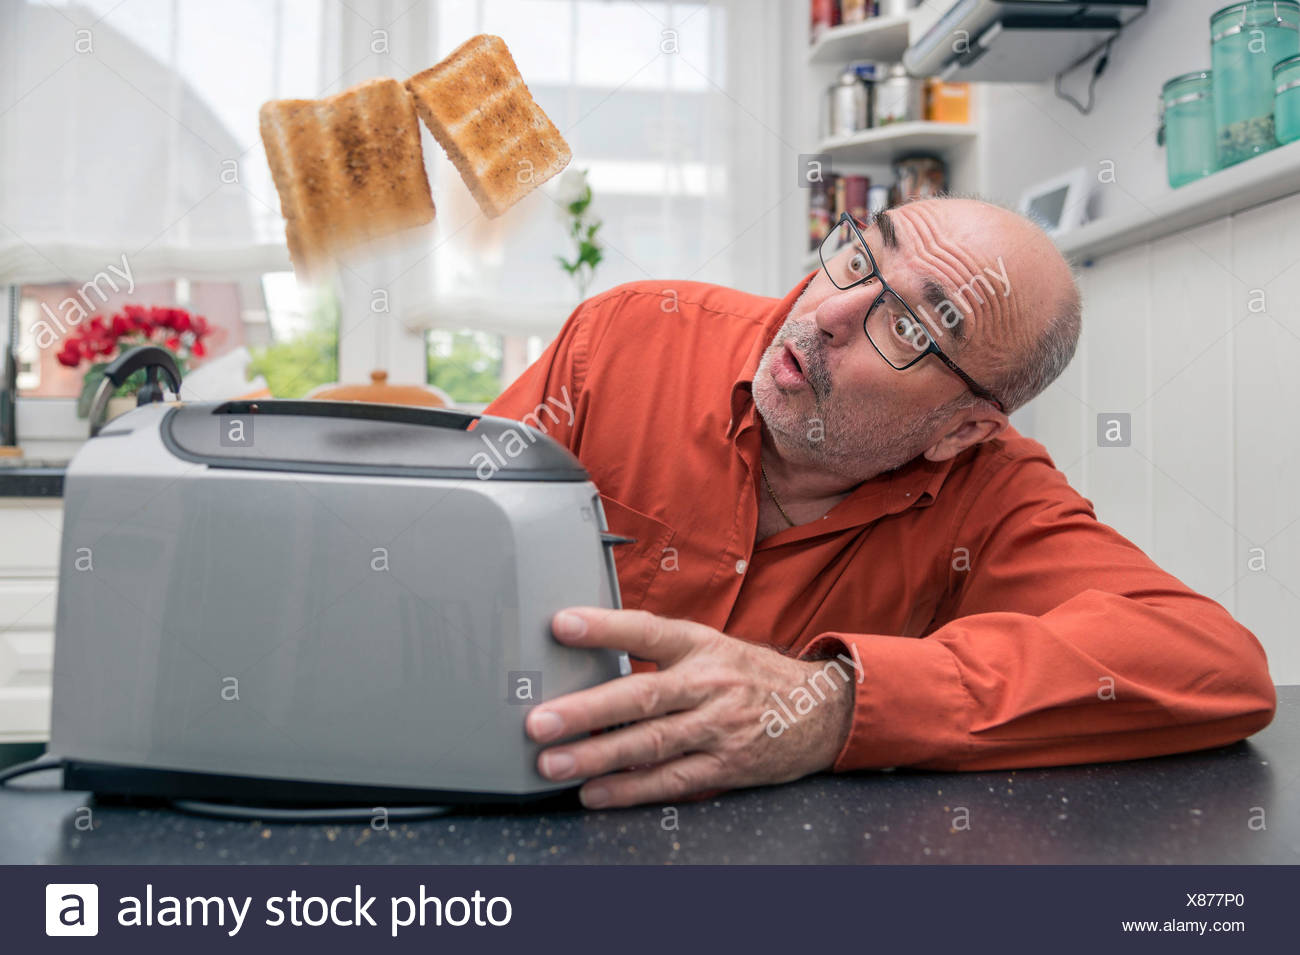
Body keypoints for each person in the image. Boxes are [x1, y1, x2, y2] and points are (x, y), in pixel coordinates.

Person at [482, 195, 1276, 810]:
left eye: (906, 325)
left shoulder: (991, 492)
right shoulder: (627, 338)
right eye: (861, 256)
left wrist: (832, 704)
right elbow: (443, 535)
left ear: (962, 429)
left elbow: (1215, 665)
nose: (827, 313)